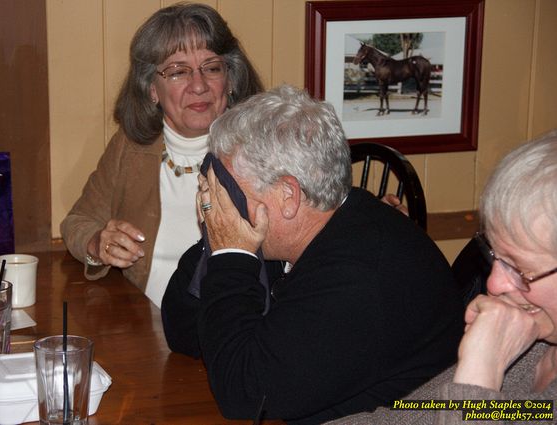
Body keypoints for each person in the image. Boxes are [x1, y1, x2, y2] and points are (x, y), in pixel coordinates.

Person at [161, 85, 464, 424]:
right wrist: (216, 242)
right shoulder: (308, 229)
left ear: (288, 195)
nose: (217, 202)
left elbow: (244, 397)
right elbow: (185, 332)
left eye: (227, 190)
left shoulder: (356, 276)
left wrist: (231, 253)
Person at [324, 131, 557, 424]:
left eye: (520, 269)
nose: (494, 284)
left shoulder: (511, 344)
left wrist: (479, 377)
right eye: (495, 257)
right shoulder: (533, 343)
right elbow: (403, 417)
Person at [60, 3, 263, 307]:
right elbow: (77, 221)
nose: (198, 86)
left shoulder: (262, 148)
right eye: (178, 72)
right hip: (140, 323)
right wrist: (98, 242)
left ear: (230, 79)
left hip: (230, 324)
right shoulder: (131, 146)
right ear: (152, 89)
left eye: (211, 68)